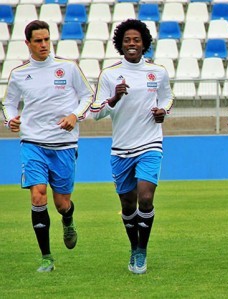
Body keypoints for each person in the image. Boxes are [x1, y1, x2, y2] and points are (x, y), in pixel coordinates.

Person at [1, 20, 94, 272]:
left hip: (64, 144)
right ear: (28, 43)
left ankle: (68, 218)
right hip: (32, 143)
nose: (43, 45)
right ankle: (47, 258)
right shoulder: (19, 74)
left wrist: (75, 115)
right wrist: (11, 119)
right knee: (37, 193)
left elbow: (88, 96)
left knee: (62, 203)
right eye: (38, 41)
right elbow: (8, 103)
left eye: (46, 40)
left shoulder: (68, 68)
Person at [90, 19, 173, 274]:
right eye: (127, 40)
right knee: (128, 205)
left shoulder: (157, 72)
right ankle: (133, 246)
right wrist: (114, 97)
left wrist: (163, 112)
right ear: (120, 44)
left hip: (150, 144)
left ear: (144, 43)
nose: (132, 44)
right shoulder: (110, 74)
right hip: (121, 149)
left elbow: (168, 98)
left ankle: (141, 252)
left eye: (136, 40)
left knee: (145, 199)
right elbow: (95, 113)